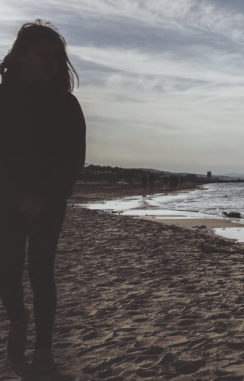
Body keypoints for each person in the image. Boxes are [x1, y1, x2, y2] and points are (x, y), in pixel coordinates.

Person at [0, 20, 86, 372]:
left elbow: (73, 158)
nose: (53, 63)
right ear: (21, 56)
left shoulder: (67, 105)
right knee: (6, 270)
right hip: (6, 200)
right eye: (45, 55)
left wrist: (45, 195)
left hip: (49, 202)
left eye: (57, 57)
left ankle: (45, 349)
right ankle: (19, 318)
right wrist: (16, 195)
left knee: (41, 272)